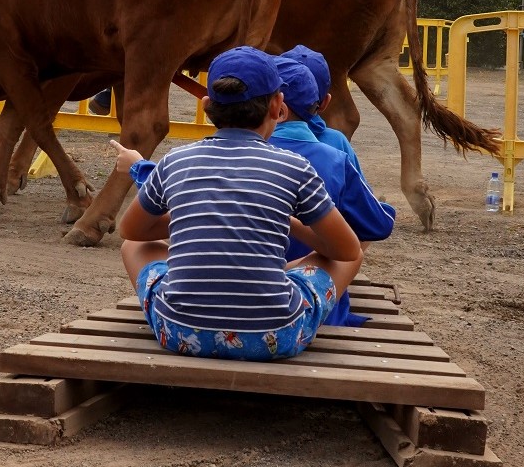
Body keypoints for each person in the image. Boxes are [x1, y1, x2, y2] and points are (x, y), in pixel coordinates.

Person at [115, 45, 363, 361]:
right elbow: (348, 251)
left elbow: (131, 231)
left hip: (179, 332)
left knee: (132, 248)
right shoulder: (296, 168)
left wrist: (191, 214)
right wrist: (287, 221)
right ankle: (270, 278)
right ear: (278, 106)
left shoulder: (175, 161)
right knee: (346, 257)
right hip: (276, 336)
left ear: (206, 106)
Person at [269, 56, 395, 326]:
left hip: (202, 311)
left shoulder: (197, 157)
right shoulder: (333, 153)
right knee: (347, 245)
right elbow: (377, 225)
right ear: (323, 102)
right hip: (302, 313)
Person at [280, 44, 362, 172]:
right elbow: (359, 190)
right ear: (325, 102)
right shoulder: (337, 143)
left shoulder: (259, 140)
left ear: (275, 100)